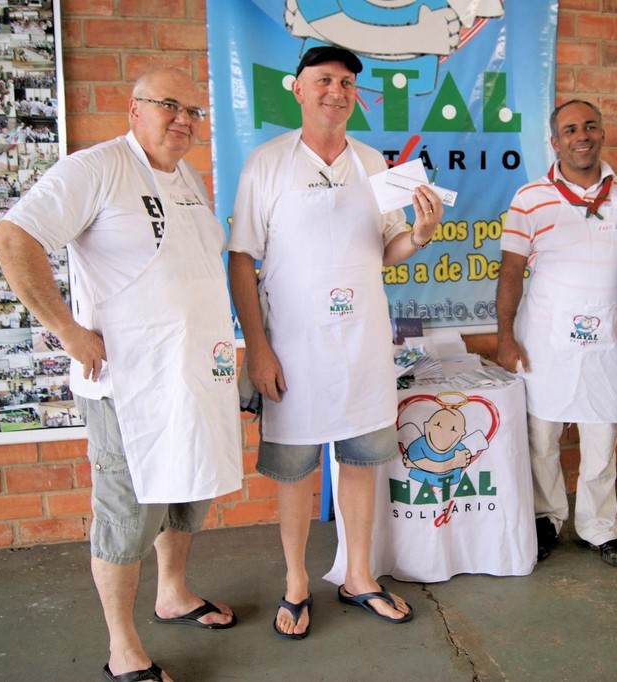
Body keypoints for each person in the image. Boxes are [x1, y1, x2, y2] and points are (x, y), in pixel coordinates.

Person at [0, 68, 244, 682]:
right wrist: (68, 331)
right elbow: (12, 239)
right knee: (126, 515)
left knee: (186, 491)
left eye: (193, 111)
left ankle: (172, 593)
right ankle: (122, 647)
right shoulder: (96, 168)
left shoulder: (187, 176)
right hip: (130, 385)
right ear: (134, 109)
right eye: (168, 105)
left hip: (194, 377)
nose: (183, 119)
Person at [228, 46, 442, 640]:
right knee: (296, 470)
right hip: (291, 349)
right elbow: (241, 259)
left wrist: (421, 234)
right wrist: (257, 348)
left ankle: (358, 576)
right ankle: (297, 581)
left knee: (361, 462)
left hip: (361, 345)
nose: (336, 91)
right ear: (298, 89)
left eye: (347, 83)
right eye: (324, 80)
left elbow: (389, 249)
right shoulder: (266, 164)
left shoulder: (374, 164)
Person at [496, 100, 617, 566]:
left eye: (590, 127)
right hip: (545, 340)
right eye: (571, 129)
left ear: (602, 134)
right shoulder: (530, 197)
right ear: (555, 142)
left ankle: (600, 528)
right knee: (541, 437)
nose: (582, 136)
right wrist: (505, 337)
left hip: (607, 343)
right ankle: (546, 518)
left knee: (602, 438)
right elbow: (511, 272)